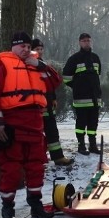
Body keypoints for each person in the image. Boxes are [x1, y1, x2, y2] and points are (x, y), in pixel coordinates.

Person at [0, 31, 62, 218]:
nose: (26, 50)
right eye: (22, 46)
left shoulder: (37, 66)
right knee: (10, 168)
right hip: (12, 125)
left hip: (35, 124)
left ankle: (35, 205)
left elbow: (55, 81)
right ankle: (7, 209)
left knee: (36, 166)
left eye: (28, 47)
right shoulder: (3, 65)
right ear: (13, 47)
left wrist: (41, 65)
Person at [32, 38, 73, 166]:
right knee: (38, 135)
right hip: (38, 107)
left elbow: (49, 85)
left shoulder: (43, 65)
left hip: (48, 104)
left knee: (53, 133)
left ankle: (58, 157)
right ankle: (39, 158)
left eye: (41, 49)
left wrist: (53, 98)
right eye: (37, 49)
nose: (39, 51)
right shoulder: (31, 66)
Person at [63, 32, 102, 155]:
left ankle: (92, 145)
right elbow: (66, 78)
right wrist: (78, 86)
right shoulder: (74, 59)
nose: (87, 42)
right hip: (81, 99)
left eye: (88, 40)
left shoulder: (95, 58)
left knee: (93, 123)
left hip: (95, 98)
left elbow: (97, 75)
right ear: (80, 43)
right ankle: (81, 146)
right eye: (84, 41)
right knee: (81, 123)